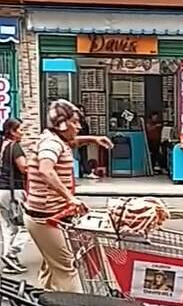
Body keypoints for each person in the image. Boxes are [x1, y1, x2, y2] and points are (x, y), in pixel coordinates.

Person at [26, 100, 113, 292]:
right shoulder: (50, 143)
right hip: (45, 218)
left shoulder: (58, 140)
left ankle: (45, 305)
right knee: (67, 267)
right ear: (62, 124)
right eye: (75, 122)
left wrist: (94, 139)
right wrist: (69, 197)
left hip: (53, 216)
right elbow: (46, 170)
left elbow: (73, 142)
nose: (79, 126)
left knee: (51, 266)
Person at [0, 119, 30, 274]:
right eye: (21, 130)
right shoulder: (15, 146)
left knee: (8, 228)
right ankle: (12, 254)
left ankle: (8, 260)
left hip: (1, 190)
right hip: (13, 191)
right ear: (12, 131)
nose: (23, 133)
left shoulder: (2, 145)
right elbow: (24, 167)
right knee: (26, 225)